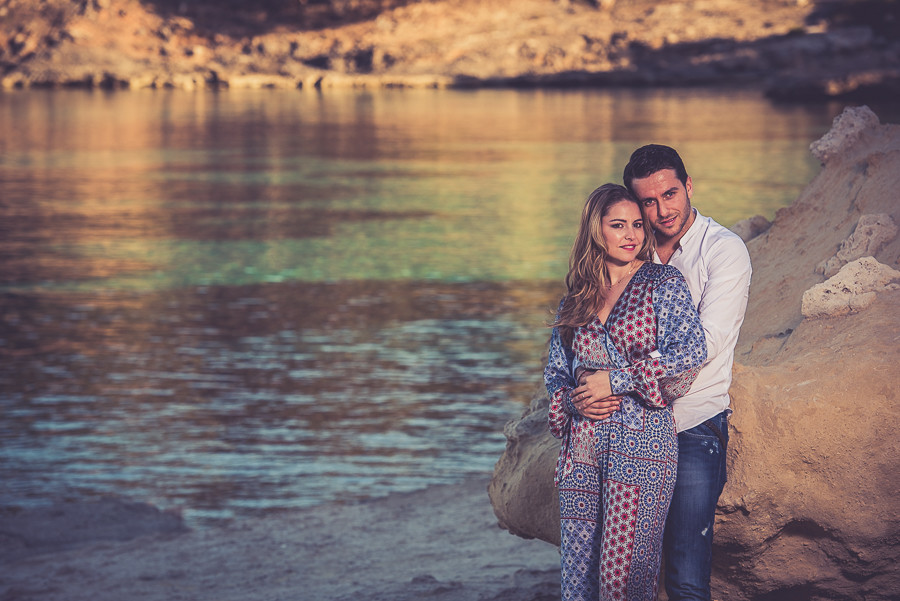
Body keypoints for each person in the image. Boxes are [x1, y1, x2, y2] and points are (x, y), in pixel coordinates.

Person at [578, 146, 752, 601]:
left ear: (689, 186)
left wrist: (616, 379)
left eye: (670, 194)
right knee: (625, 571)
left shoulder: (723, 251)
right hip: (626, 427)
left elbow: (705, 346)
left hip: (691, 425)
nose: (661, 211)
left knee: (685, 577)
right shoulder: (631, 251)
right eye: (647, 203)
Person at [545, 183, 708, 601]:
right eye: (618, 225)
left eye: (637, 224)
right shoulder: (575, 300)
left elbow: (689, 353)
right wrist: (573, 399)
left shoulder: (662, 282)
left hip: (642, 448)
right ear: (595, 230)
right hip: (581, 448)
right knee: (577, 577)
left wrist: (615, 381)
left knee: (623, 578)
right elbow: (555, 374)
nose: (631, 234)